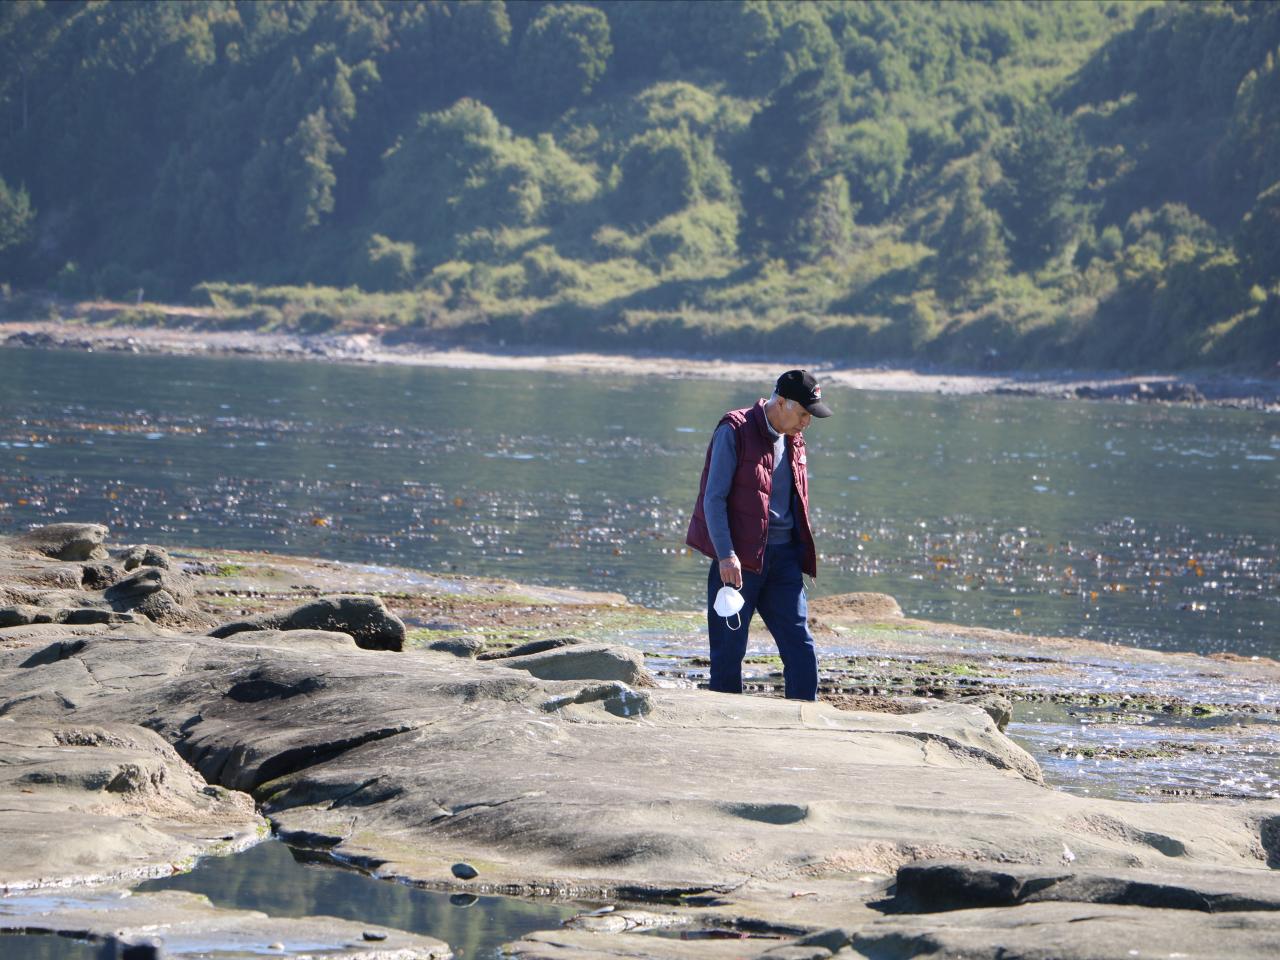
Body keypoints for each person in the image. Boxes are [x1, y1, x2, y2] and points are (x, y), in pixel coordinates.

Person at [685, 369, 832, 700]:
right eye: (805, 413)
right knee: (728, 651)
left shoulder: (794, 438)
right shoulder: (734, 430)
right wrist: (725, 554)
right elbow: (713, 498)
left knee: (800, 644)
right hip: (738, 563)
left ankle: (804, 719)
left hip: (784, 563)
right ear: (781, 402)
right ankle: (725, 729)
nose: (807, 422)